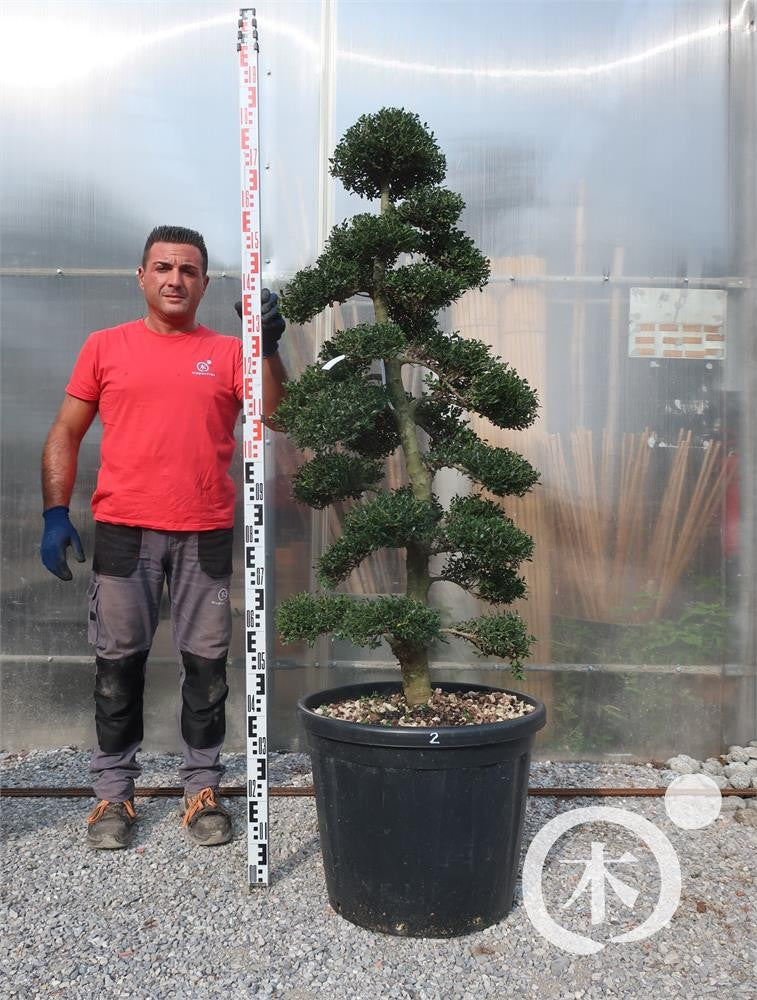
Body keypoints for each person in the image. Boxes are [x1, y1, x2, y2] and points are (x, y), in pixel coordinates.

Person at [39, 225, 287, 850]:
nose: (175, 279)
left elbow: (275, 415)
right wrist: (54, 511)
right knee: (117, 667)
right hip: (125, 530)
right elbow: (65, 431)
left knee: (206, 669)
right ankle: (111, 795)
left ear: (204, 282)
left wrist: (268, 346)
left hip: (203, 532)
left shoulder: (230, 352)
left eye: (188, 270)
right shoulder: (105, 347)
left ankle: (201, 786)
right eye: (163, 268)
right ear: (142, 276)